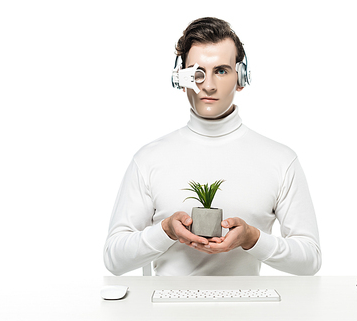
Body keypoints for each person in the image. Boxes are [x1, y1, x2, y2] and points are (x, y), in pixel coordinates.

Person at [103, 17, 321, 276]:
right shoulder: (149, 159)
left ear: (240, 78)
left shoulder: (281, 160)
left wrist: (253, 238)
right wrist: (165, 231)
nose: (208, 85)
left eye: (221, 70)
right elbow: (114, 259)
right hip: (164, 314)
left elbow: (310, 260)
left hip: (248, 312)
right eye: (197, 73)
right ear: (180, 79)